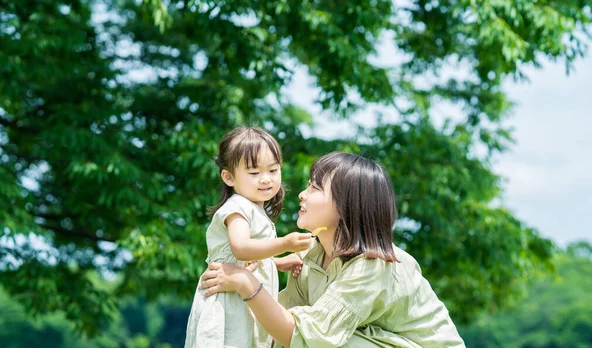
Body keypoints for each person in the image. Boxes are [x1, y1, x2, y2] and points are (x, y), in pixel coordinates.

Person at [200, 152, 466, 347]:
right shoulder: (311, 256)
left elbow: (305, 337)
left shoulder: (373, 264)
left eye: (315, 188)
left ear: (346, 205)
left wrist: (246, 283)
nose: (302, 194)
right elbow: (279, 329)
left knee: (337, 343)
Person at [184, 126, 312, 348]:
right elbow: (241, 249)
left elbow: (248, 260)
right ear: (229, 177)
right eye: (254, 173)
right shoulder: (237, 208)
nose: (265, 179)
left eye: (273, 170)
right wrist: (284, 244)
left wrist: (276, 263)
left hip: (242, 299)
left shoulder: (255, 210)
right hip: (227, 301)